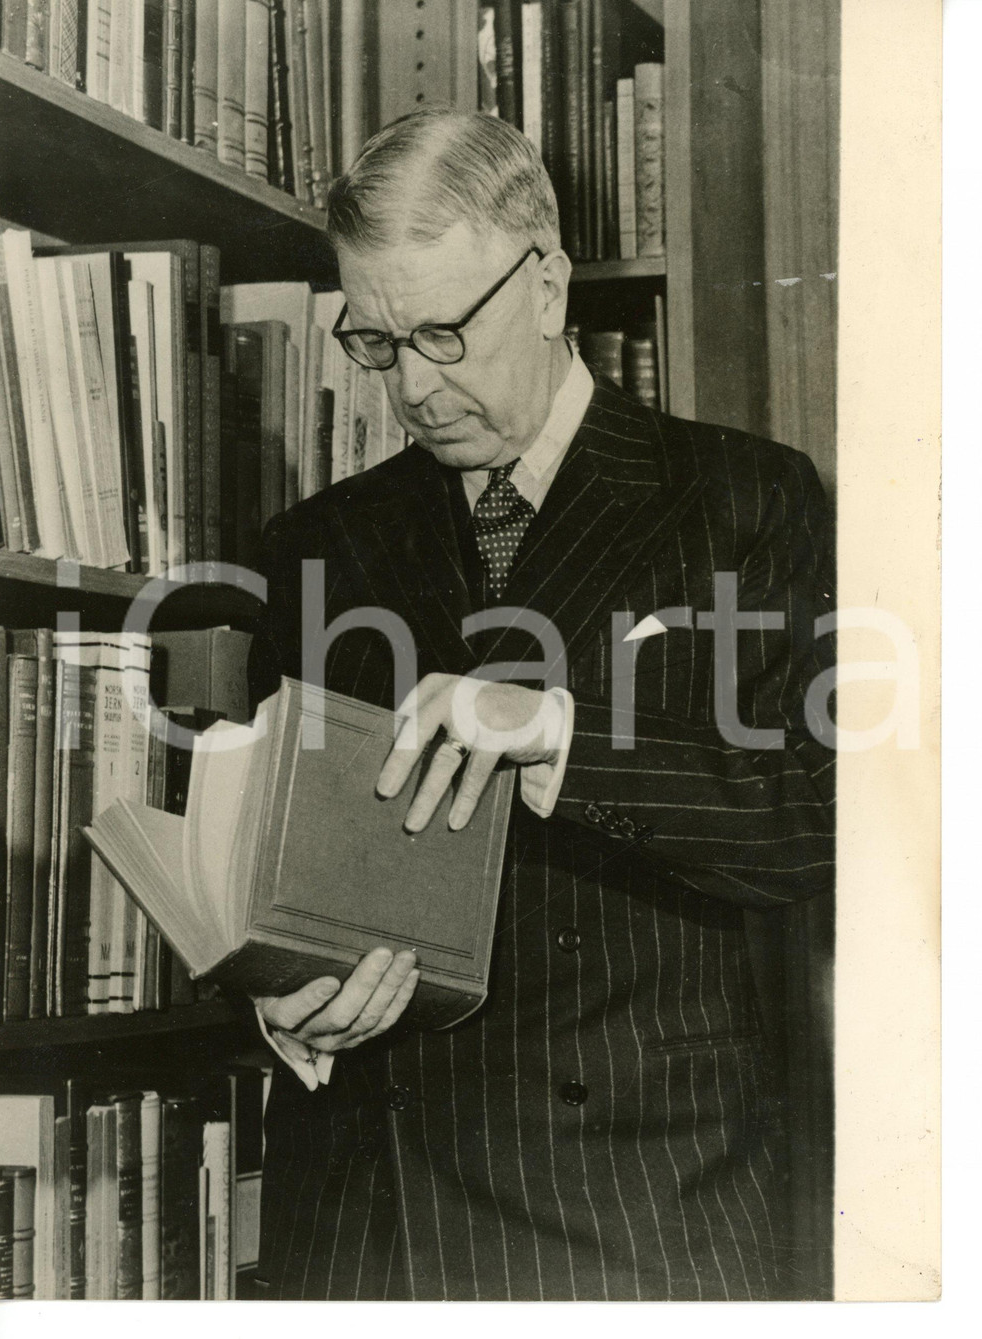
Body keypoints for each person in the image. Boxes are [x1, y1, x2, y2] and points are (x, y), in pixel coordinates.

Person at [246, 106, 835, 1302]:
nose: (414, 386)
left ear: (549, 284)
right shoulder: (319, 544)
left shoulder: (743, 499)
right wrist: (278, 1003)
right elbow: (267, 859)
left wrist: (555, 731)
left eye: (443, 334)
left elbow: (814, 820)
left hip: (645, 1203)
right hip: (373, 1218)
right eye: (376, 343)